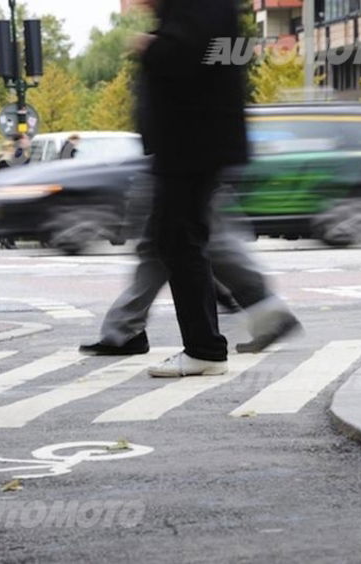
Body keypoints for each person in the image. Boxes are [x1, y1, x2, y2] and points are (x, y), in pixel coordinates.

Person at [128, 0, 250, 377]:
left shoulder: (196, 8)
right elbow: (229, 55)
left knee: (178, 238)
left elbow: (195, 56)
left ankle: (205, 350)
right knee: (180, 238)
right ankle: (205, 347)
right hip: (198, 139)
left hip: (191, 141)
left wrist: (151, 49)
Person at [79, 190, 300, 357]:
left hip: (186, 157)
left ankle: (267, 313)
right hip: (177, 157)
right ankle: (124, 329)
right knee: (159, 244)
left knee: (200, 237)